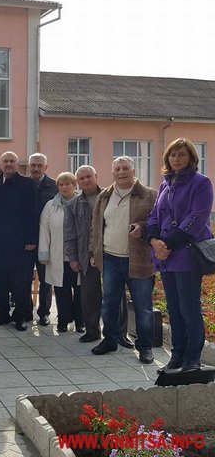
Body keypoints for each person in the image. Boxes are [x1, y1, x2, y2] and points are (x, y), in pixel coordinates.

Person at [147, 139, 214, 372]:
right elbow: (154, 215)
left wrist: (167, 244)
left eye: (182, 155)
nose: (176, 159)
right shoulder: (166, 184)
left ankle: (192, 358)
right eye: (173, 155)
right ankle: (177, 355)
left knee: (189, 307)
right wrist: (153, 240)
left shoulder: (201, 183)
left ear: (191, 158)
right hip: (166, 257)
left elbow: (197, 218)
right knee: (173, 308)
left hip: (186, 254)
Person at [89, 156, 158, 364]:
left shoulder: (150, 195)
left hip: (139, 260)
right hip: (111, 258)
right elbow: (96, 229)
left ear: (133, 171)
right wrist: (93, 253)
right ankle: (110, 339)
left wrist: (143, 228)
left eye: (125, 168)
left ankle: (145, 347)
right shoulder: (104, 196)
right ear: (112, 173)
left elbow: (157, 223)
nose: (121, 172)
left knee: (143, 306)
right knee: (109, 303)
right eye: (117, 169)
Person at [65, 166, 133, 346]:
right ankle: (92, 331)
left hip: (111, 252)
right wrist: (72, 257)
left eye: (89, 176)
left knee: (117, 296)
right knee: (89, 295)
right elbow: (70, 233)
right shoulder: (73, 204)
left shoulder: (110, 197)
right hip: (85, 256)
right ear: (77, 182)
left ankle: (120, 334)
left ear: (96, 176)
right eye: (82, 178)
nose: (86, 180)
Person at [0, 151, 37, 331]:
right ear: (0, 164)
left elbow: (32, 213)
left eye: (12, 161)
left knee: (21, 282)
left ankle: (21, 316)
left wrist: (31, 239)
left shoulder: (28, 184)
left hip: (21, 242)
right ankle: (2, 313)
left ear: (17, 165)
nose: (8, 164)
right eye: (5, 161)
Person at [38, 172, 83, 333]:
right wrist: (43, 253)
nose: (64, 187)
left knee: (79, 289)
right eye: (61, 184)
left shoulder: (81, 202)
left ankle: (80, 321)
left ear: (74, 185)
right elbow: (44, 230)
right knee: (61, 289)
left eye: (68, 184)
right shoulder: (51, 205)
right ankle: (63, 320)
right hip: (58, 255)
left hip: (78, 255)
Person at [28, 153, 58, 326]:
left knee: (46, 279)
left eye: (40, 165)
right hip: (25, 241)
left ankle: (44, 313)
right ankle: (25, 311)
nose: (36, 168)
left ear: (46, 167)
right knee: (23, 278)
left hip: (46, 240)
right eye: (33, 165)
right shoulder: (23, 185)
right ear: (28, 167)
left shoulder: (54, 186)